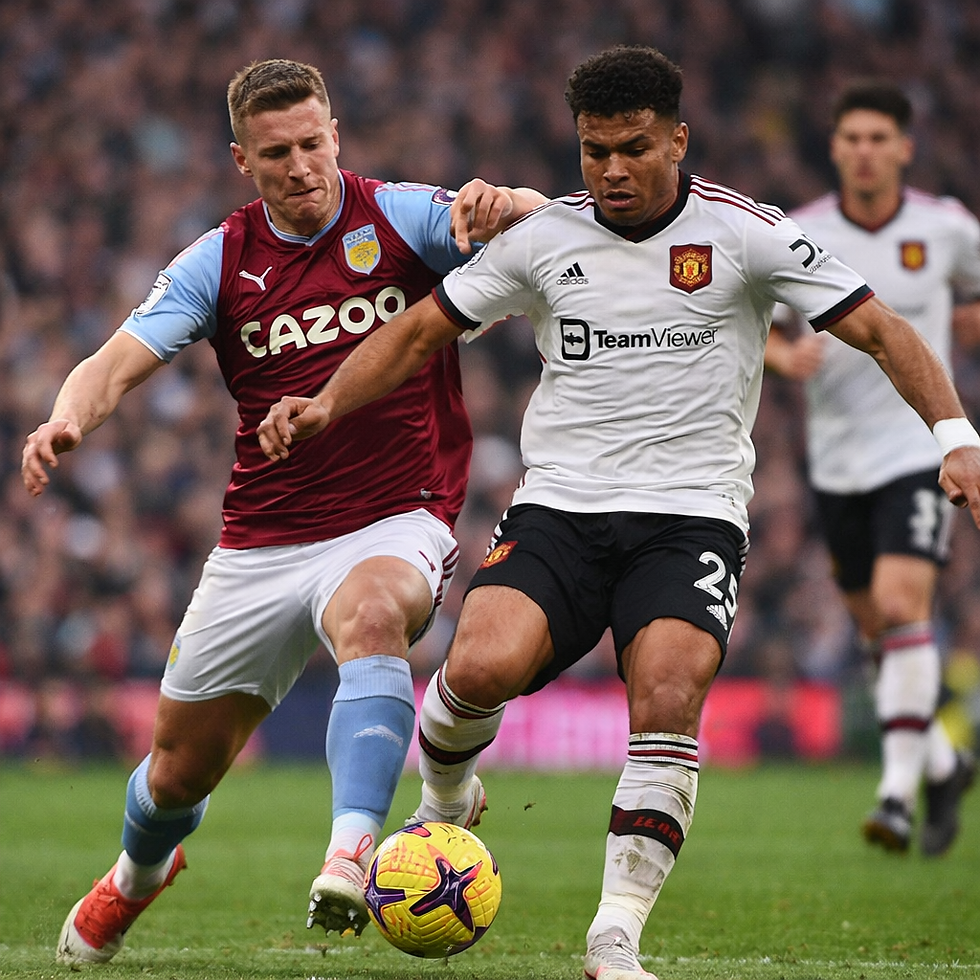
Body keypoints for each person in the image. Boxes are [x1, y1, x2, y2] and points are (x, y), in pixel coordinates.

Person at [258, 47, 980, 980]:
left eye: (634, 149)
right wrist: (322, 403)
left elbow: (882, 328)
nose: (612, 171)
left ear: (678, 139)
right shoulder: (545, 240)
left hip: (692, 517)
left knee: (669, 694)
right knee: (475, 667)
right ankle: (446, 804)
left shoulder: (745, 235)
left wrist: (957, 435)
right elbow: (419, 331)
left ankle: (614, 938)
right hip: (561, 505)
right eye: (595, 151)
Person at [22, 58, 544, 965]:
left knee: (376, 615)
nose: (302, 166)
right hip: (261, 540)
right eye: (277, 153)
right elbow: (114, 361)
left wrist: (508, 200)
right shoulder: (219, 258)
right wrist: (67, 417)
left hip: (398, 513)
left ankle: (352, 849)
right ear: (241, 160)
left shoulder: (406, 217)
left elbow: (543, 222)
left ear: (335, 135)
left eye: (313, 144)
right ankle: (136, 878)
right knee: (176, 774)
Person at [765, 80, 979, 856]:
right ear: (835, 148)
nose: (864, 151)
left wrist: (954, 325)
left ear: (904, 148)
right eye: (851, 137)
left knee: (899, 603)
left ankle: (895, 796)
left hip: (918, 447)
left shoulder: (946, 228)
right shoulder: (803, 231)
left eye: (878, 138)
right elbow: (750, 320)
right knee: (874, 632)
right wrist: (786, 354)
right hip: (837, 460)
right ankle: (948, 762)